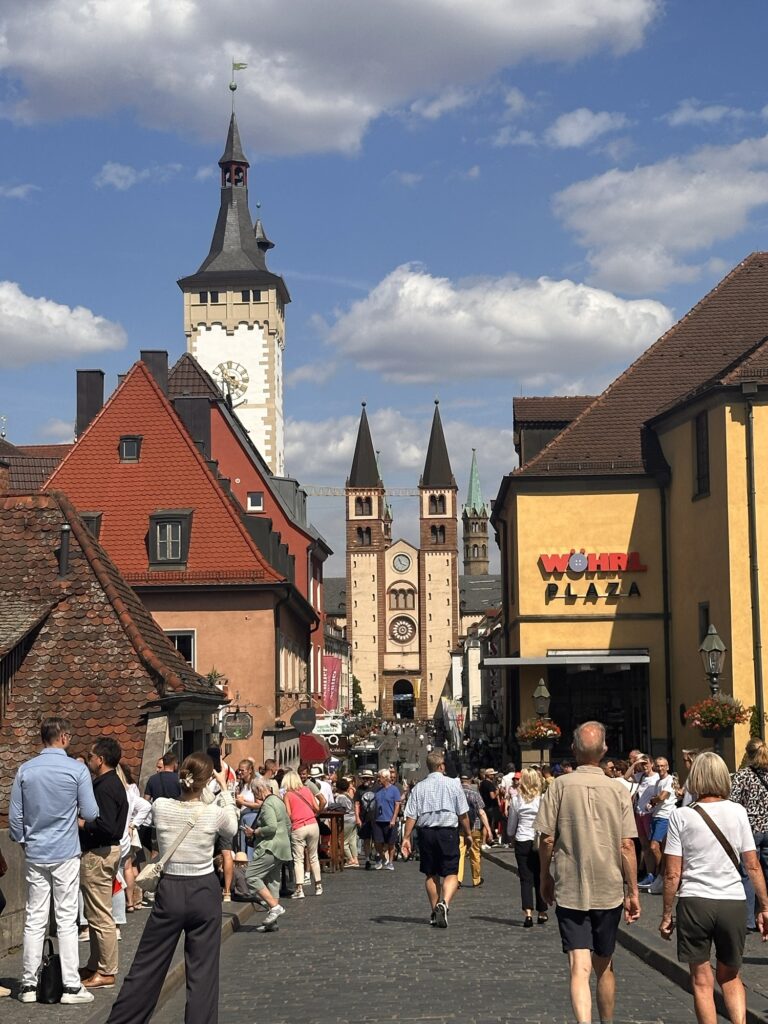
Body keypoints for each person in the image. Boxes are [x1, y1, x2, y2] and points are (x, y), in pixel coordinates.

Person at [106, 752, 237, 1024]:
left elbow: (160, 809)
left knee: (147, 965)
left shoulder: (161, 806)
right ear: (206, 782)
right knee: (203, 972)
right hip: (203, 889)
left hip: (170, 890)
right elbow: (232, 827)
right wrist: (224, 788)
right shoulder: (213, 813)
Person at [536, 721, 640, 1024]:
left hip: (572, 885)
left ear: (573, 749)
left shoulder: (559, 786)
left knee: (578, 967)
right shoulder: (618, 790)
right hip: (609, 888)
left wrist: (544, 875)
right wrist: (633, 890)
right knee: (604, 964)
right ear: (604, 750)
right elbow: (626, 846)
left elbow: (546, 839)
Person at [659, 750, 768, 1024]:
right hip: (732, 901)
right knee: (730, 975)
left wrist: (667, 913)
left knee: (701, 980)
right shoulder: (738, 812)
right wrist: (765, 906)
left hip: (695, 901)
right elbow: (753, 865)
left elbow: (672, 873)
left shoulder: (681, 815)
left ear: (695, 777)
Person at [9, 716, 99, 1005]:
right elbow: (91, 812)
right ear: (63, 737)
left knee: (35, 918)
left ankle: (28, 984)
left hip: (36, 851)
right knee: (66, 918)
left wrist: (26, 842)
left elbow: (15, 819)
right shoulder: (77, 769)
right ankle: (71, 985)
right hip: (66, 851)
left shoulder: (25, 770)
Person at [78, 736, 128, 991]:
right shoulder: (112, 782)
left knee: (100, 915)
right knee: (95, 912)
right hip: (105, 851)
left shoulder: (105, 786)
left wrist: (83, 824)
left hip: (99, 852)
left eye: (90, 756)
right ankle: (95, 964)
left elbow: (107, 826)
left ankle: (107, 970)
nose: (88, 759)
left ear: (101, 759)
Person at [401, 751, 471, 929]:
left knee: (431, 873)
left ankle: (434, 911)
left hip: (426, 833)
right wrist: (468, 833)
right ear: (441, 766)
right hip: (448, 832)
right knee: (451, 872)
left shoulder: (419, 787)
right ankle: (444, 903)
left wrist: (406, 837)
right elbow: (463, 813)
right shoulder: (453, 784)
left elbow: (411, 815)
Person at [730, 737, 768, 930]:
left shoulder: (742, 775)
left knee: (749, 873)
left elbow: (732, 802)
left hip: (750, 829)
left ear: (748, 753)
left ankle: (749, 920)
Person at [245, 780, 292, 931]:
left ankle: (275, 907)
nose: (255, 796)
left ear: (259, 789)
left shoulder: (267, 804)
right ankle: (272, 922)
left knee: (251, 876)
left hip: (270, 847)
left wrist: (255, 832)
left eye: (254, 792)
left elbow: (271, 827)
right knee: (273, 883)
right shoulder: (278, 801)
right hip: (282, 847)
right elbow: (288, 825)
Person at [508, 767, 548, 927]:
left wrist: (511, 835)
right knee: (540, 875)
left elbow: (511, 827)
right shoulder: (542, 799)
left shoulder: (516, 800)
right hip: (538, 840)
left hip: (522, 839)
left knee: (525, 878)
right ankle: (542, 912)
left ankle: (528, 913)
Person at [282, 770, 322, 898]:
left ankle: (299, 889)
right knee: (314, 856)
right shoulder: (307, 790)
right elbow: (316, 807)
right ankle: (318, 886)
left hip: (298, 826)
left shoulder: (287, 795)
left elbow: (288, 814)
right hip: (313, 824)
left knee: (298, 859)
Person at [641, 756, 676, 894]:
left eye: (663, 766)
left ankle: (662, 875)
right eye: (658, 766)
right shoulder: (658, 782)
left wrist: (652, 800)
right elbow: (657, 799)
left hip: (665, 816)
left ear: (667, 767)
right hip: (656, 815)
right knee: (658, 848)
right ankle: (660, 875)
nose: (660, 768)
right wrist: (652, 803)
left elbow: (662, 797)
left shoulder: (670, 780)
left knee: (654, 847)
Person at [458, 774, 491, 888]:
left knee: (460, 853)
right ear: (470, 780)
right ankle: (476, 879)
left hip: (460, 827)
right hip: (474, 827)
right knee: (475, 854)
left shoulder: (456, 793)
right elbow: (481, 812)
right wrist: (488, 829)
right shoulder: (474, 793)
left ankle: (458, 879)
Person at [372, 768, 401, 870]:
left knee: (391, 843)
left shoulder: (394, 790)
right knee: (377, 842)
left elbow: (397, 805)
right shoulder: (377, 790)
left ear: (386, 778)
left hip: (389, 820)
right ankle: (383, 858)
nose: (378, 779)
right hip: (378, 820)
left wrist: (393, 819)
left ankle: (391, 862)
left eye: (380, 777)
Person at [234, 760, 260, 858]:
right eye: (239, 770)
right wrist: (238, 802)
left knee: (249, 849)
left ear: (250, 770)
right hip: (243, 819)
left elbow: (259, 804)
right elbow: (241, 806)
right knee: (242, 847)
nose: (240, 772)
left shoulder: (255, 784)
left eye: (242, 770)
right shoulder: (241, 785)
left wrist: (243, 802)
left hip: (252, 820)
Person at [335, 778, 360, 867]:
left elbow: (339, 808)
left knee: (342, 841)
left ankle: (350, 859)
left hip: (346, 819)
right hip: (353, 818)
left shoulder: (340, 797)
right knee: (352, 840)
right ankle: (355, 859)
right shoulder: (348, 796)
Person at [479, 768, 500, 846]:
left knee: (485, 823)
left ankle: (486, 840)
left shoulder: (482, 783)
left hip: (484, 805)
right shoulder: (490, 784)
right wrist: (497, 792)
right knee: (487, 824)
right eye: (492, 774)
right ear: (488, 775)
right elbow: (492, 796)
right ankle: (485, 841)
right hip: (490, 806)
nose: (494, 776)